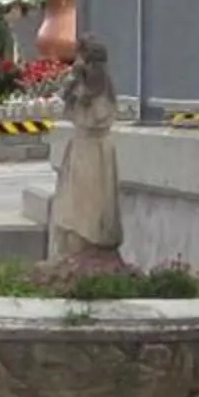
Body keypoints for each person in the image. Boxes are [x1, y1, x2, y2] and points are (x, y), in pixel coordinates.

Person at [47, 34, 124, 264]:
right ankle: (75, 247)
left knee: (91, 204)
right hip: (82, 147)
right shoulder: (80, 85)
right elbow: (68, 106)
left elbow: (94, 115)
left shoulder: (97, 89)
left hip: (94, 150)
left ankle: (89, 244)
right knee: (73, 203)